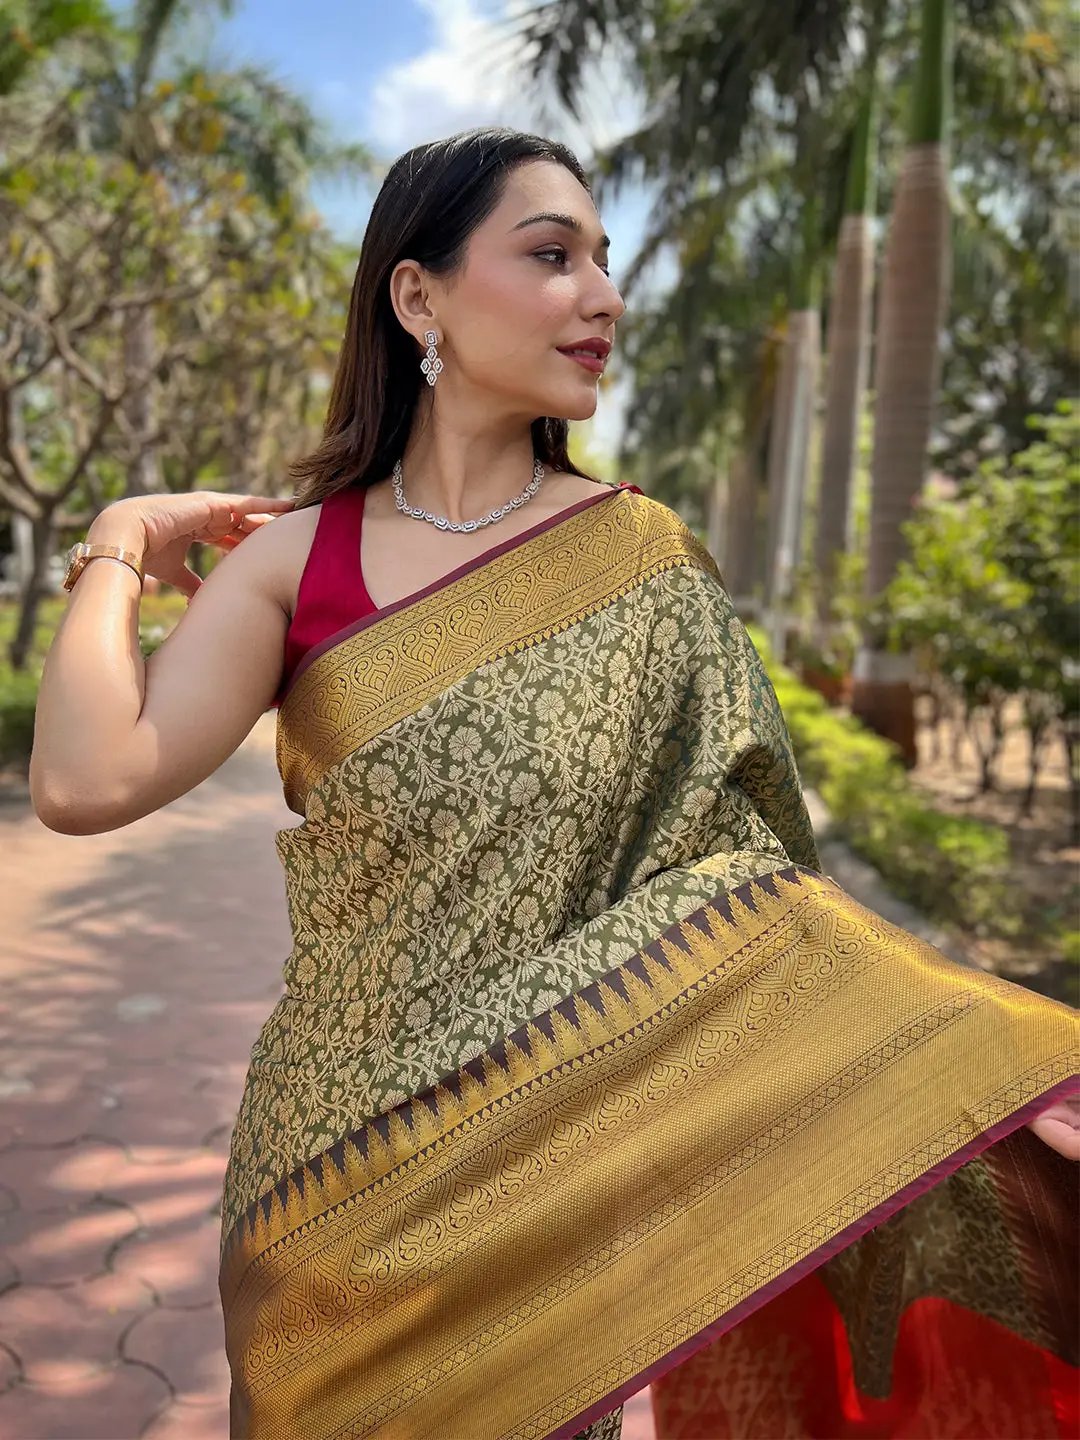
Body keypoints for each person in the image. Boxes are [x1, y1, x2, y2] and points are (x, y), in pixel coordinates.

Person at [31, 127, 1077, 1440]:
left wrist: (986, 1070)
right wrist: (120, 544)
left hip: (555, 1194)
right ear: (420, 297)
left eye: (604, 261)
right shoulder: (301, 559)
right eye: (551, 255)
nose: (603, 295)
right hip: (334, 1195)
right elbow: (82, 779)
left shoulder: (642, 559)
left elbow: (753, 893)